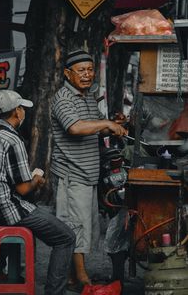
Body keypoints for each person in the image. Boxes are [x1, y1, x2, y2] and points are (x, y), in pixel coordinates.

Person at [0, 89, 76, 295]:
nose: (23, 112)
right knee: (66, 237)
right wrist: (37, 179)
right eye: (22, 108)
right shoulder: (12, 139)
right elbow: (23, 188)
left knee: (25, 215)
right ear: (17, 112)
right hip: (3, 212)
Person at [50, 49, 128, 290]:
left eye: (90, 70)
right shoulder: (63, 98)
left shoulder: (85, 97)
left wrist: (113, 126)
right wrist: (105, 123)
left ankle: (74, 277)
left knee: (85, 225)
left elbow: (94, 129)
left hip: (87, 173)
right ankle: (82, 279)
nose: (87, 75)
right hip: (72, 174)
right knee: (76, 226)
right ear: (67, 73)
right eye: (81, 70)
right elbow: (75, 128)